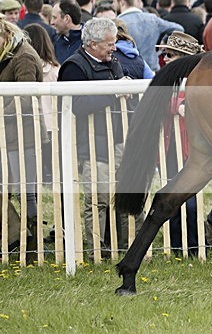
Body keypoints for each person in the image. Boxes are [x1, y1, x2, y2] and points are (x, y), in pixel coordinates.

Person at [57, 18, 128, 258]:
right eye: (109, 43)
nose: (114, 48)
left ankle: (119, 244)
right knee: (98, 200)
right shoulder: (74, 67)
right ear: (93, 43)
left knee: (121, 196)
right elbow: (76, 105)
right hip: (91, 143)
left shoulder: (112, 62)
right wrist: (114, 92)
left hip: (117, 138)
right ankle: (96, 250)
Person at [0, 18, 48, 254]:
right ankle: (17, 237)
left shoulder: (24, 57)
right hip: (8, 136)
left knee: (27, 193)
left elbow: (26, 97)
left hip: (25, 136)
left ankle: (32, 243)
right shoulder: (8, 54)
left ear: (5, 36)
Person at [156, 32, 204, 256]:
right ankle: (177, 247)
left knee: (190, 199)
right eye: (165, 54)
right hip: (170, 147)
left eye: (171, 55)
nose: (165, 59)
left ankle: (192, 246)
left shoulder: (200, 78)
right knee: (172, 196)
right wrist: (179, 105)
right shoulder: (165, 77)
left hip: (193, 148)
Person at [112, 0, 182, 72]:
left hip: (130, 72)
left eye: (114, 1)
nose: (112, 5)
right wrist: (164, 41)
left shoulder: (117, 24)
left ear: (122, 2)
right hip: (153, 69)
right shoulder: (152, 19)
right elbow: (179, 29)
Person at [24, 23, 59, 183]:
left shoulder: (25, 67)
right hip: (54, 123)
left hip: (33, 122)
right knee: (54, 167)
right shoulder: (56, 70)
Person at [50, 0, 83, 64]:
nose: (51, 22)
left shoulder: (88, 43)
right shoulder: (56, 42)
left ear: (67, 19)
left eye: (54, 17)